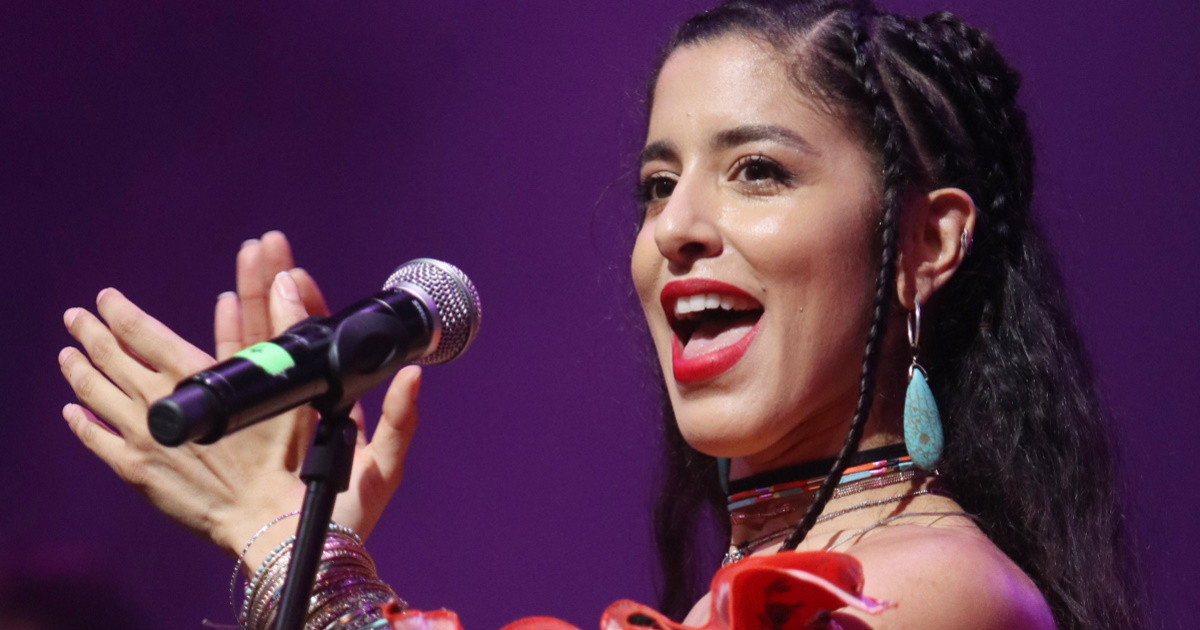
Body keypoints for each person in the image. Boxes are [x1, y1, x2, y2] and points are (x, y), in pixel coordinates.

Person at [56, 1, 1145, 628]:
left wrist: (305, 566)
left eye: (758, 170)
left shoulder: (939, 595)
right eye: (656, 186)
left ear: (925, 243)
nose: (677, 227)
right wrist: (301, 553)